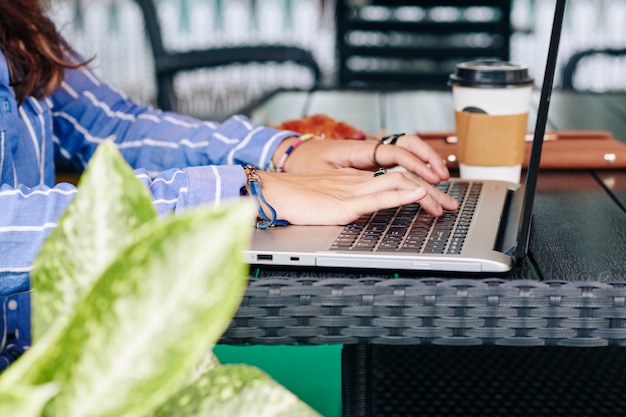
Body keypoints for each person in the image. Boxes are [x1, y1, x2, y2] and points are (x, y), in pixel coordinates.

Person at [0, 0, 458, 370]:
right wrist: (245, 192)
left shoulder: (15, 18)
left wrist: (285, 152)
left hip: (48, 349)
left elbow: (115, 127)